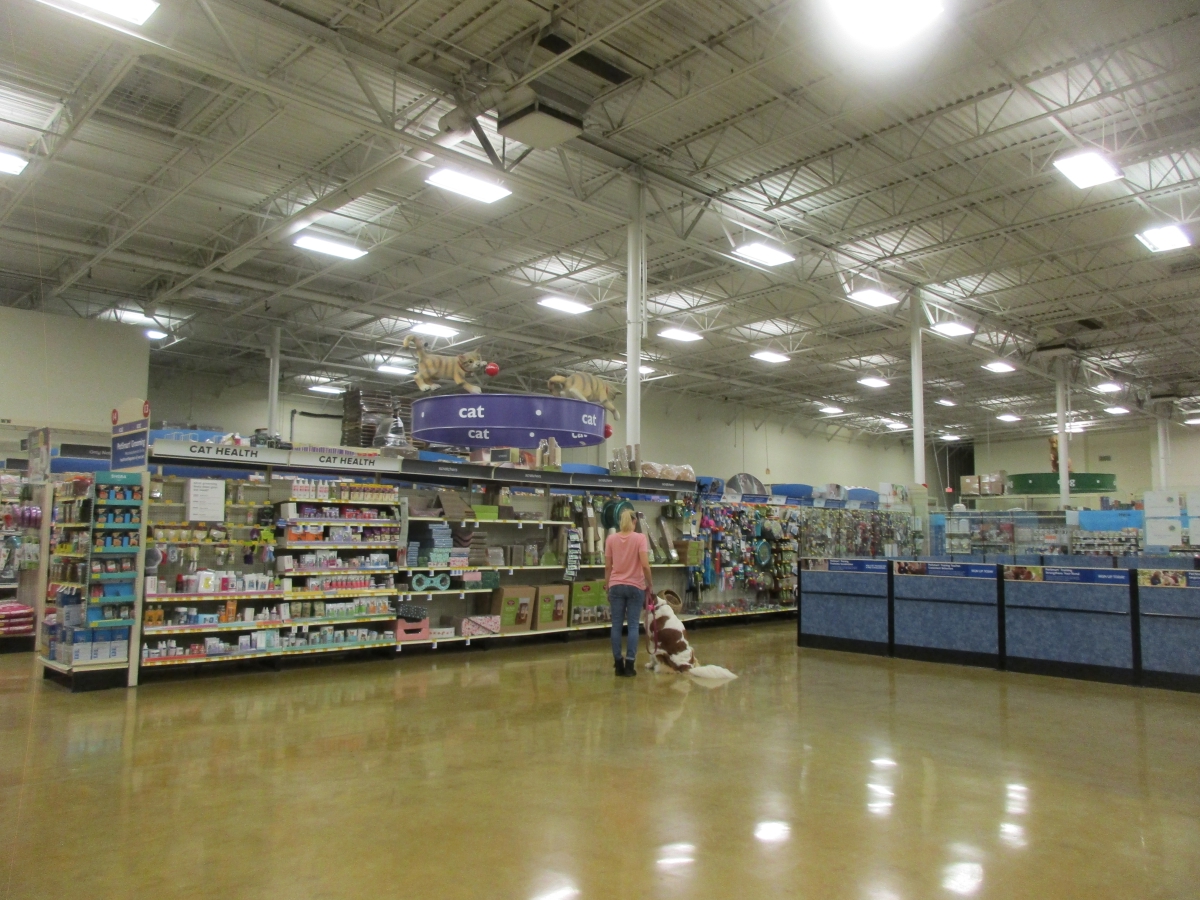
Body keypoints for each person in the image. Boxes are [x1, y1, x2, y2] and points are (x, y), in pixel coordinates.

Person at [605, 508, 653, 677]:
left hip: (616, 586)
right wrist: (650, 583)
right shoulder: (640, 538)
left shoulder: (611, 539)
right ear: (634, 521)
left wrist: (607, 586)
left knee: (616, 625)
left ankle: (618, 664)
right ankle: (630, 665)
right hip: (635, 586)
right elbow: (645, 565)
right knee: (633, 625)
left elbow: (608, 566)